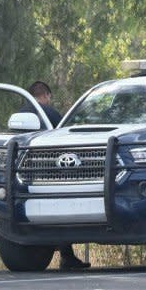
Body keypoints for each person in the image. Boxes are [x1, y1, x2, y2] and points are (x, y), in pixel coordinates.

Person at [28, 81, 90, 270]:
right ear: (46, 95)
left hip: (26, 176)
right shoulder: (51, 114)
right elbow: (68, 136)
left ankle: (58, 254)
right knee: (61, 212)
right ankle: (66, 255)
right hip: (53, 172)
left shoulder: (20, 114)